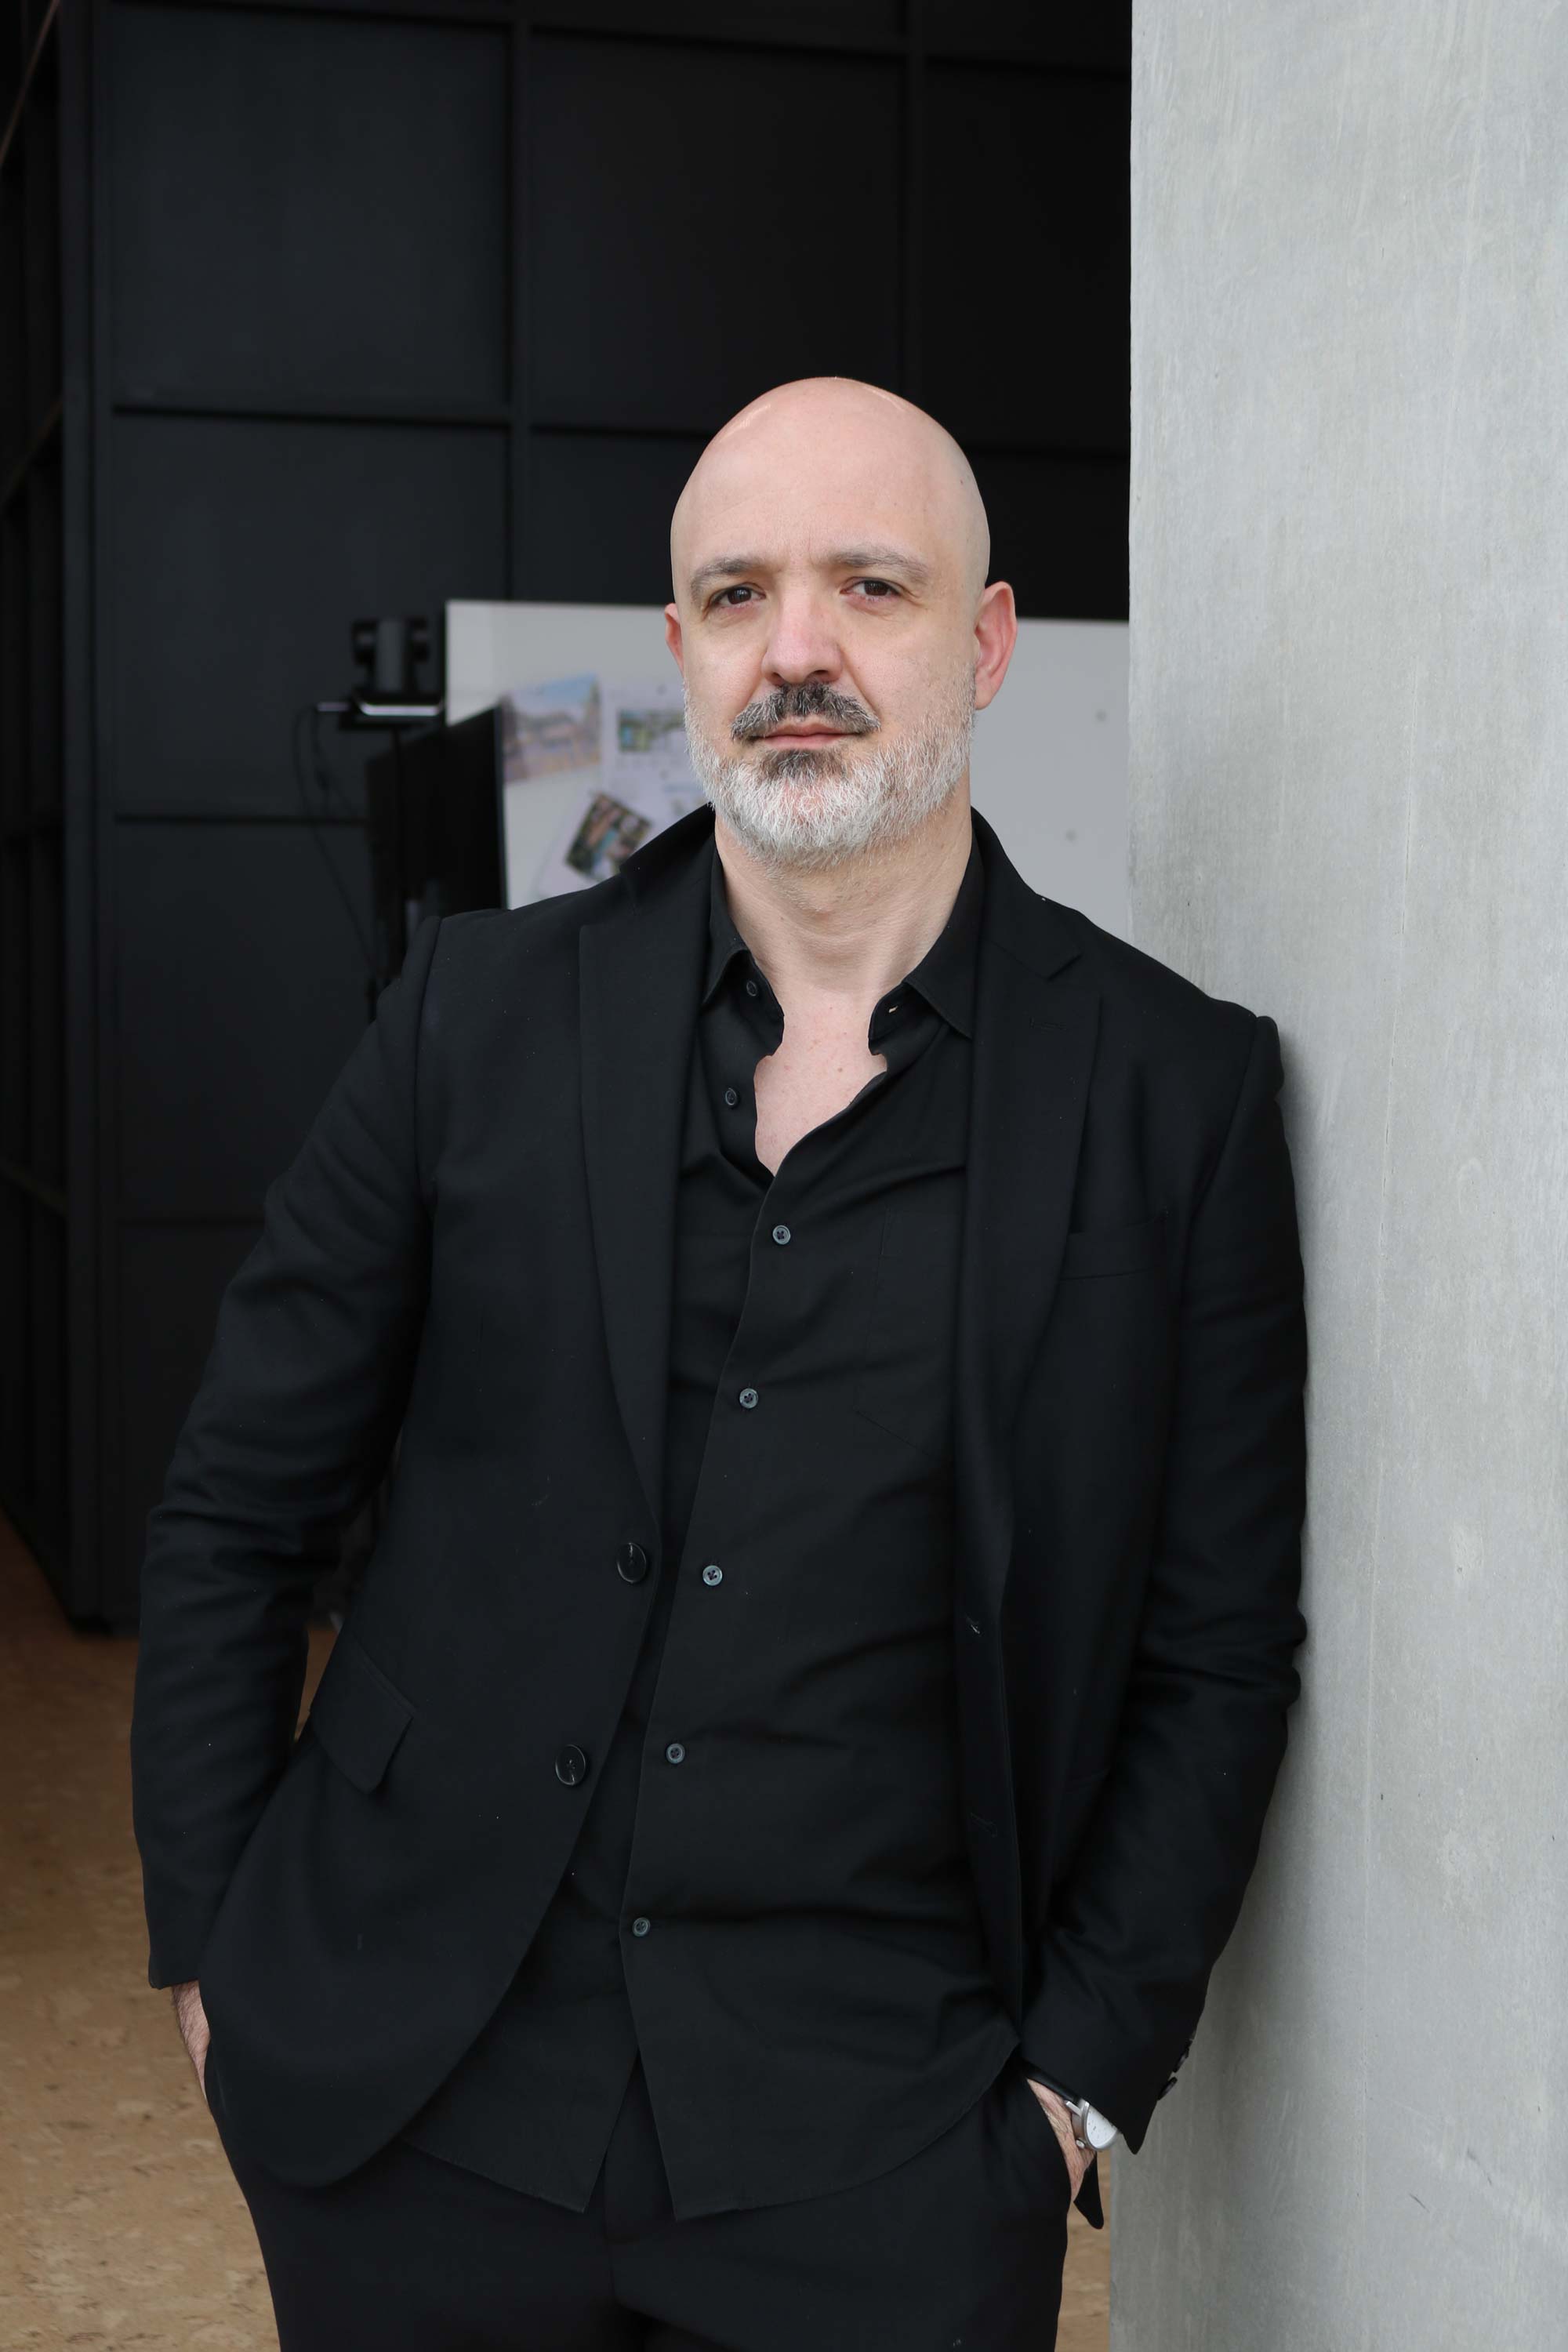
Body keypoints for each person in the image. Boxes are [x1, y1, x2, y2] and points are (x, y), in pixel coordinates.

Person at [131, 376, 1308, 2350]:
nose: (797, 653)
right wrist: (217, 1954)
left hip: (893, 2160)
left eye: (869, 587)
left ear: (985, 643)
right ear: (678, 648)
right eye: (740, 595)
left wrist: (1072, 2094)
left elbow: (1214, 1652)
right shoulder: (469, 1019)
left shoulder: (1173, 1096)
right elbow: (237, 1502)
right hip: (411, 2109)